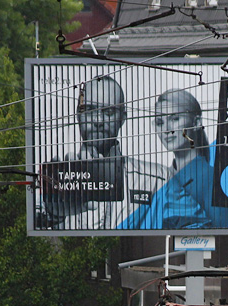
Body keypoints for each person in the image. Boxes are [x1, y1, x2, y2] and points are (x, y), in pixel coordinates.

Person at [36, 75, 168, 230]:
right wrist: (52, 213)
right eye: (90, 110)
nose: (98, 121)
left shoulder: (158, 180)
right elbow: (23, 225)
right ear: (78, 115)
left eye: (109, 112)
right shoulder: (54, 179)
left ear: (123, 118)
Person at [120, 88, 228, 230]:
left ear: (197, 122)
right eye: (160, 122)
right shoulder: (157, 179)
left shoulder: (214, 179)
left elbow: (222, 236)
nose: (167, 129)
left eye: (175, 119)